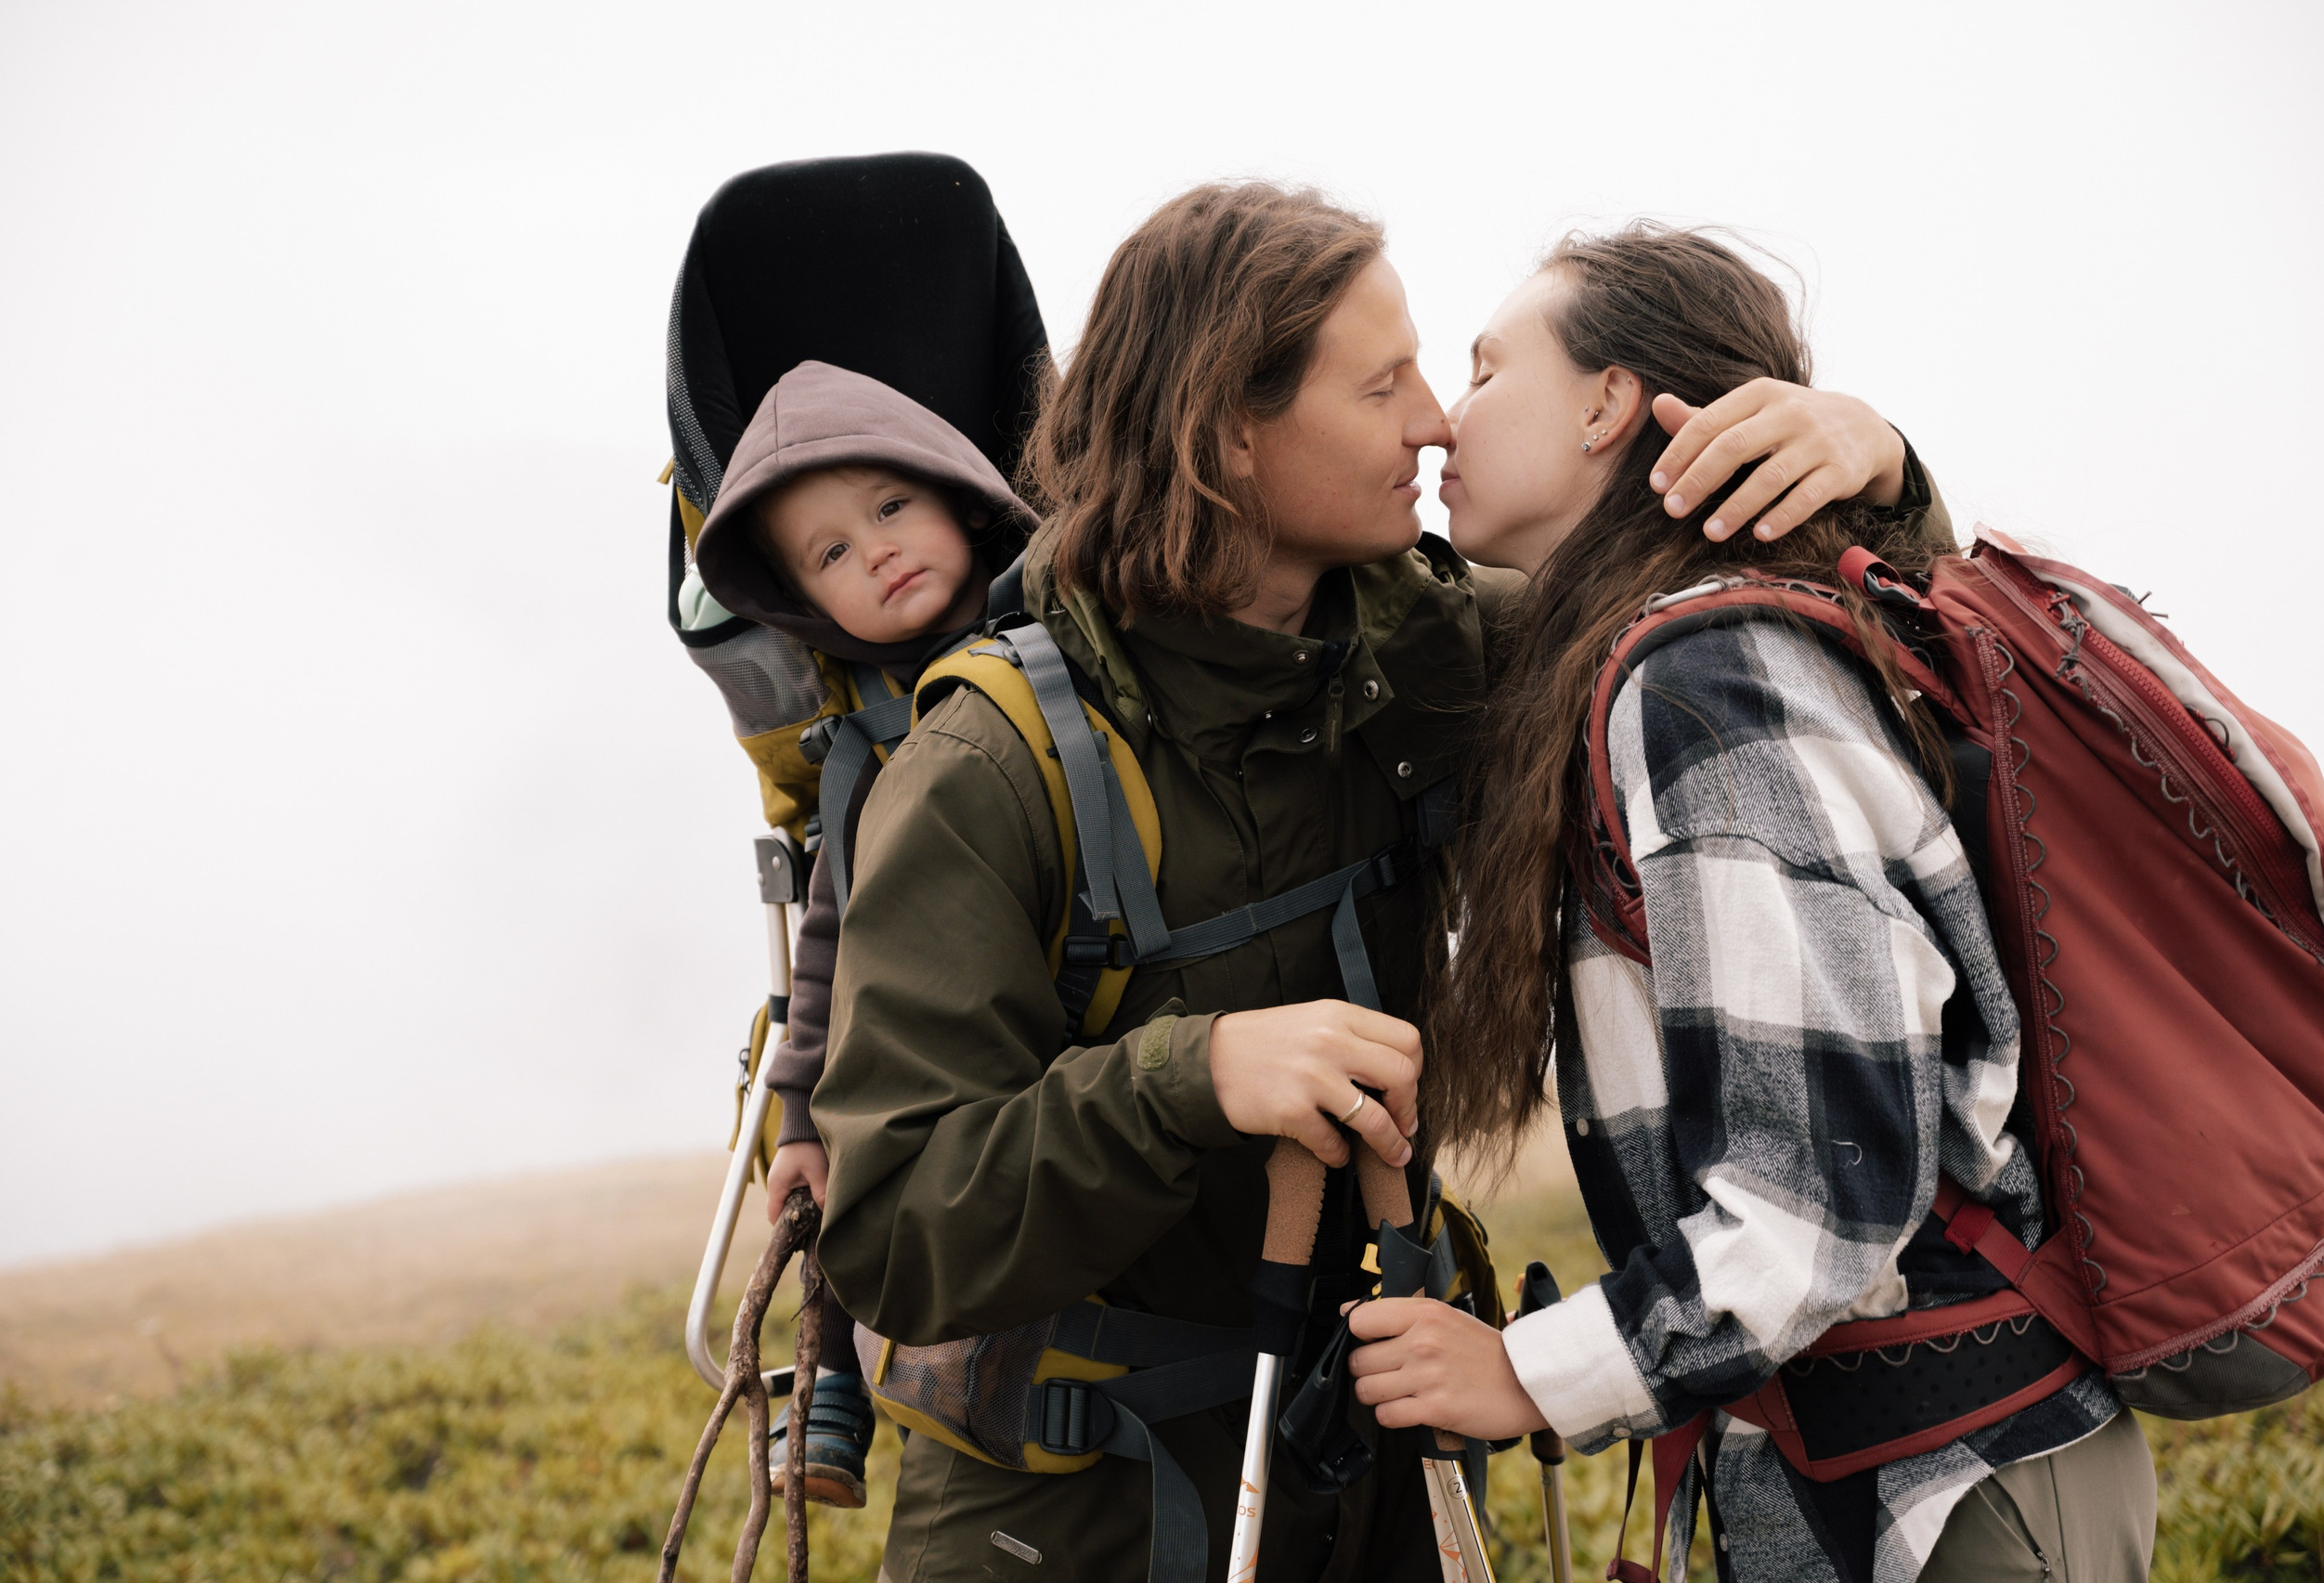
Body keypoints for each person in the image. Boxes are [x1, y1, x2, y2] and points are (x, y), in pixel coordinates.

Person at [809, 183, 1938, 1583]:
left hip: (1375, 1484)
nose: (1433, 419)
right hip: (1073, 1526)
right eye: (1382, 381)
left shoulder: (1438, 652)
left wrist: (1879, 464)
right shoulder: (988, 765)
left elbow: (1813, 663)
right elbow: (895, 1232)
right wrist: (1192, 1076)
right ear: (1229, 428)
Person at [1344, 226, 2156, 1582]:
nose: (1442, 420)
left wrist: (1525, 1375)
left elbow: (1819, 1199)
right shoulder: (1678, 653)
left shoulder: (1706, 678)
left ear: (1607, 404)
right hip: (1890, 1480)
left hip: (1949, 1498)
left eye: (1485, 371)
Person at [691, 357, 1043, 1508]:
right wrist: (798, 1117)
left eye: (890, 507)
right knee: (860, 1138)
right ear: (807, 606)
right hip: (926, 1050)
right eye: (833, 552)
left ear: (957, 495)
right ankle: (833, 1382)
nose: (877, 548)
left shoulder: (1069, 638)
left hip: (1072, 1002)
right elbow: (826, 961)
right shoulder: (861, 750)